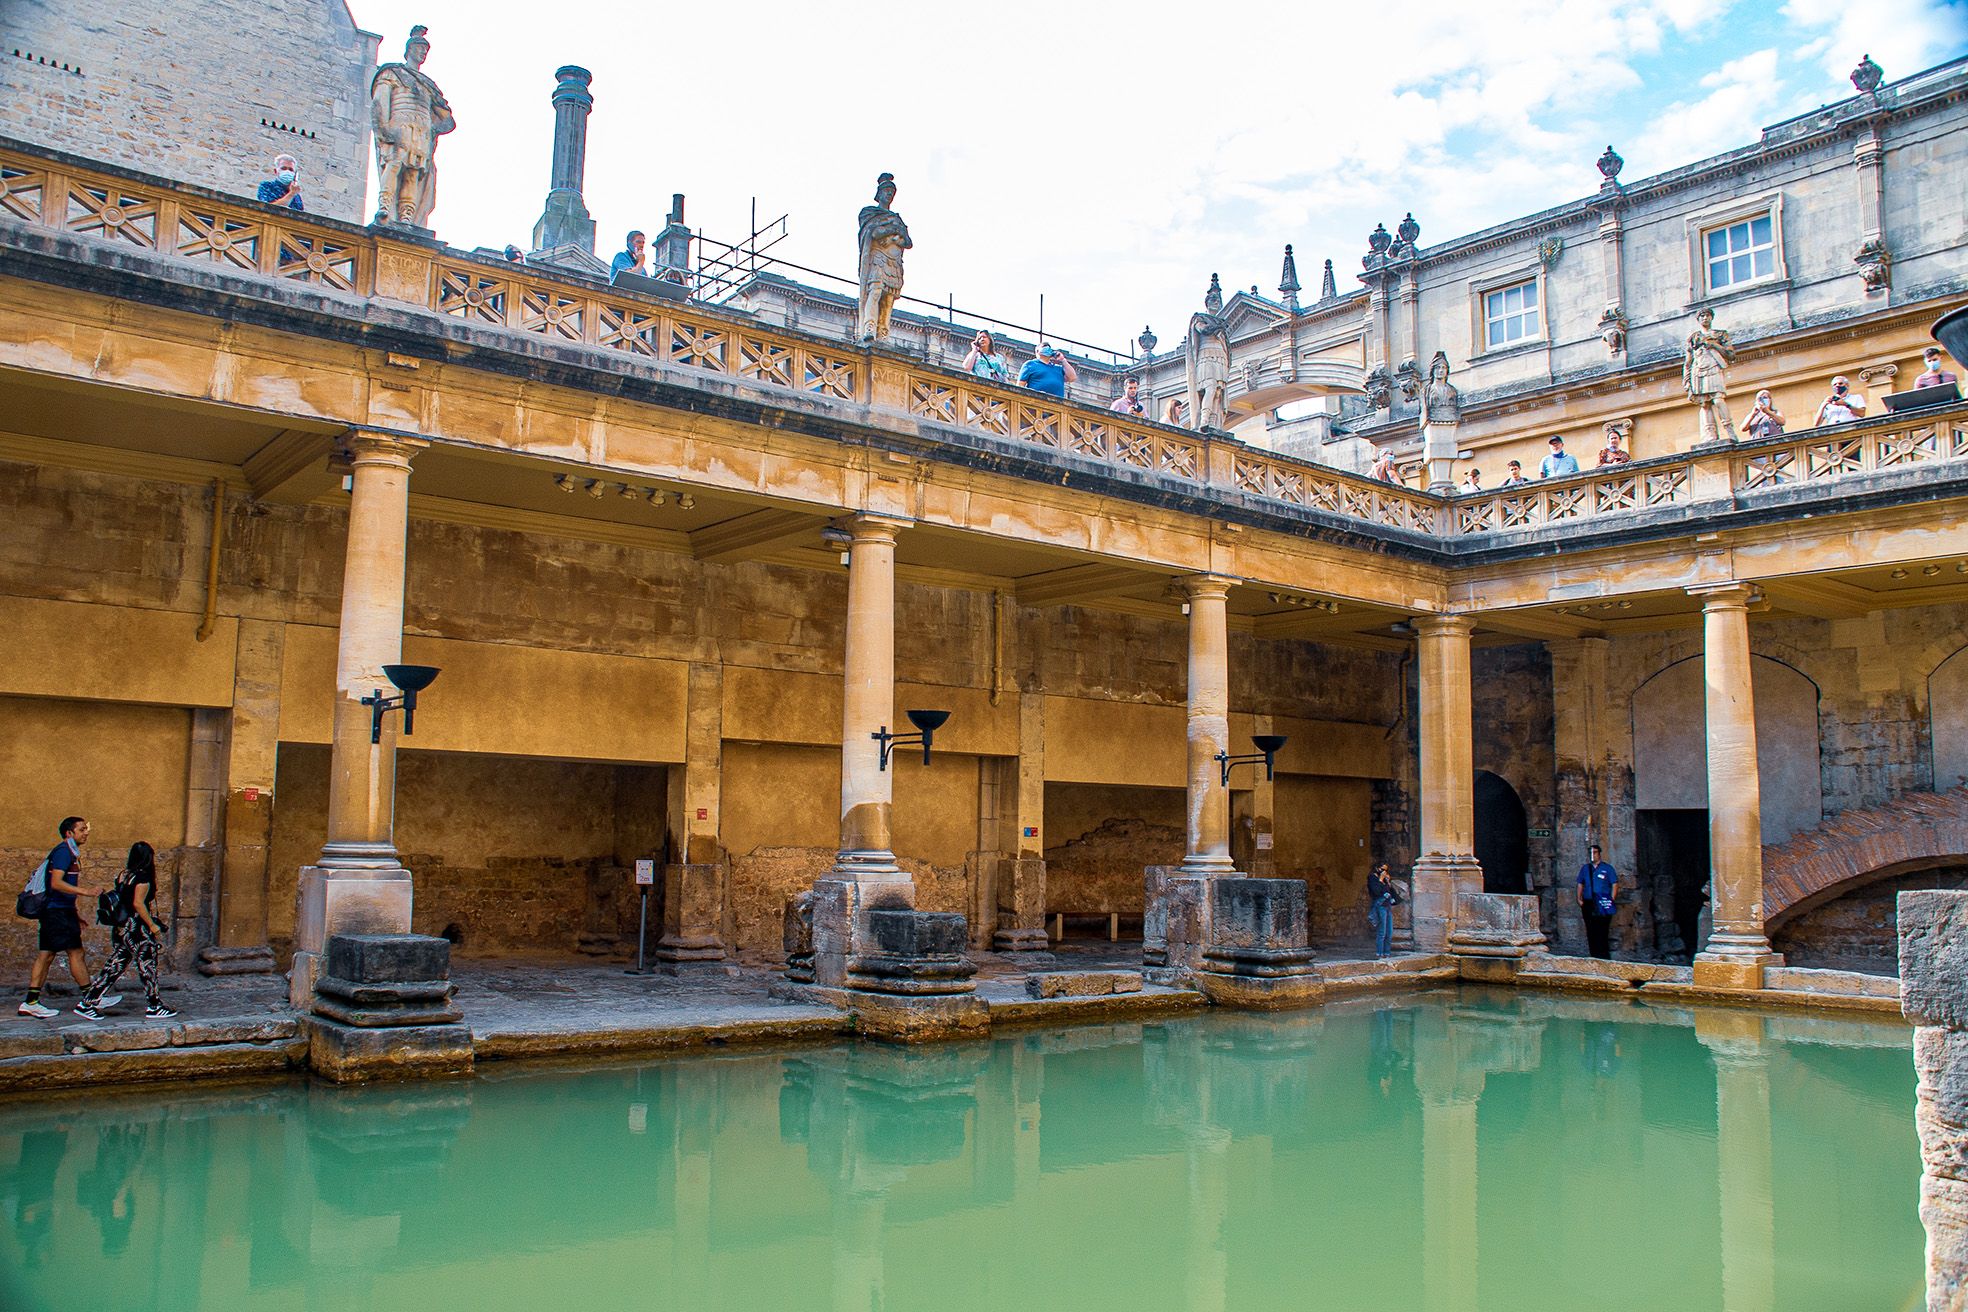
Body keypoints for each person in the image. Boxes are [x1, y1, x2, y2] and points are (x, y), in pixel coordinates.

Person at [19, 817, 115, 1019]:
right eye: (81, 830)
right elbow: (56, 883)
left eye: (86, 829)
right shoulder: (64, 851)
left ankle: (31, 1002)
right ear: (69, 833)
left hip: (58, 911)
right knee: (75, 953)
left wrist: (75, 913)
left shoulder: (67, 851)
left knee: (47, 955)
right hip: (58, 912)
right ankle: (90, 999)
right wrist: (86, 892)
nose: (86, 833)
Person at [74, 841, 175, 1021]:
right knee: (147, 967)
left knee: (115, 965)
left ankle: (88, 1002)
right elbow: (138, 904)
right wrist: (152, 925)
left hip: (122, 928)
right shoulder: (143, 878)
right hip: (138, 929)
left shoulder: (124, 875)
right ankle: (154, 1005)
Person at [1577, 843, 1618, 961]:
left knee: (1603, 928)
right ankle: (1594, 954)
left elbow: (1614, 883)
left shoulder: (1608, 868)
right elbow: (1580, 883)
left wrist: (1612, 899)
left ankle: (1603, 954)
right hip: (1589, 901)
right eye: (1590, 853)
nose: (1592, 855)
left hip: (1602, 901)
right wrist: (1579, 899)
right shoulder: (1585, 869)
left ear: (1599, 854)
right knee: (1591, 928)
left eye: (1594, 853)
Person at [1367, 864, 1402, 957]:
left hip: (1387, 906)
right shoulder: (1372, 878)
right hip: (1380, 906)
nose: (1383, 871)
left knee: (1389, 932)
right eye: (1382, 869)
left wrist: (1388, 883)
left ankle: (1387, 953)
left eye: (1385, 870)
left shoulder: (1385, 880)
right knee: (1382, 931)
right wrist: (1380, 880)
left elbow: (1391, 892)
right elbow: (1376, 891)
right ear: (1376, 868)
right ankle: (1380, 953)